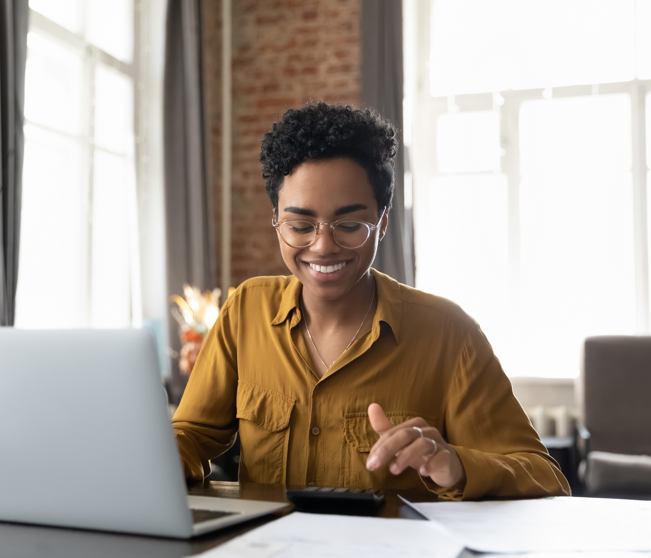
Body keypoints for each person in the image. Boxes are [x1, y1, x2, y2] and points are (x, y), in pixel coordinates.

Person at [172, 102, 570, 500]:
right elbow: (191, 435)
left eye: (349, 225)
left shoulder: (450, 335)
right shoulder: (246, 311)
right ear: (276, 220)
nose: (323, 246)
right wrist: (159, 455)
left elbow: (545, 477)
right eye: (300, 225)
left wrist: (456, 465)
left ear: (382, 223)